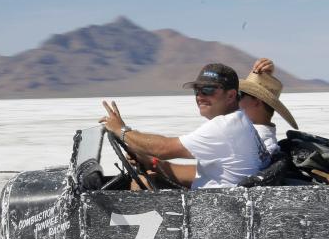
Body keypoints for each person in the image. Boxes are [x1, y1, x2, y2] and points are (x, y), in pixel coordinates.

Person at [100, 63, 268, 189]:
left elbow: (164, 148)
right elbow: (201, 172)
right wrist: (153, 163)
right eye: (197, 90)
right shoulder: (239, 121)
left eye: (208, 90)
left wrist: (121, 130)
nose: (200, 96)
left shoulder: (225, 127)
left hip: (215, 212)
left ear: (231, 95)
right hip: (220, 203)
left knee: (140, 185)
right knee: (148, 179)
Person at [238, 58, 299, 155]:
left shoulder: (254, 139)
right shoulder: (258, 135)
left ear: (257, 102)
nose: (236, 100)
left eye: (240, 95)